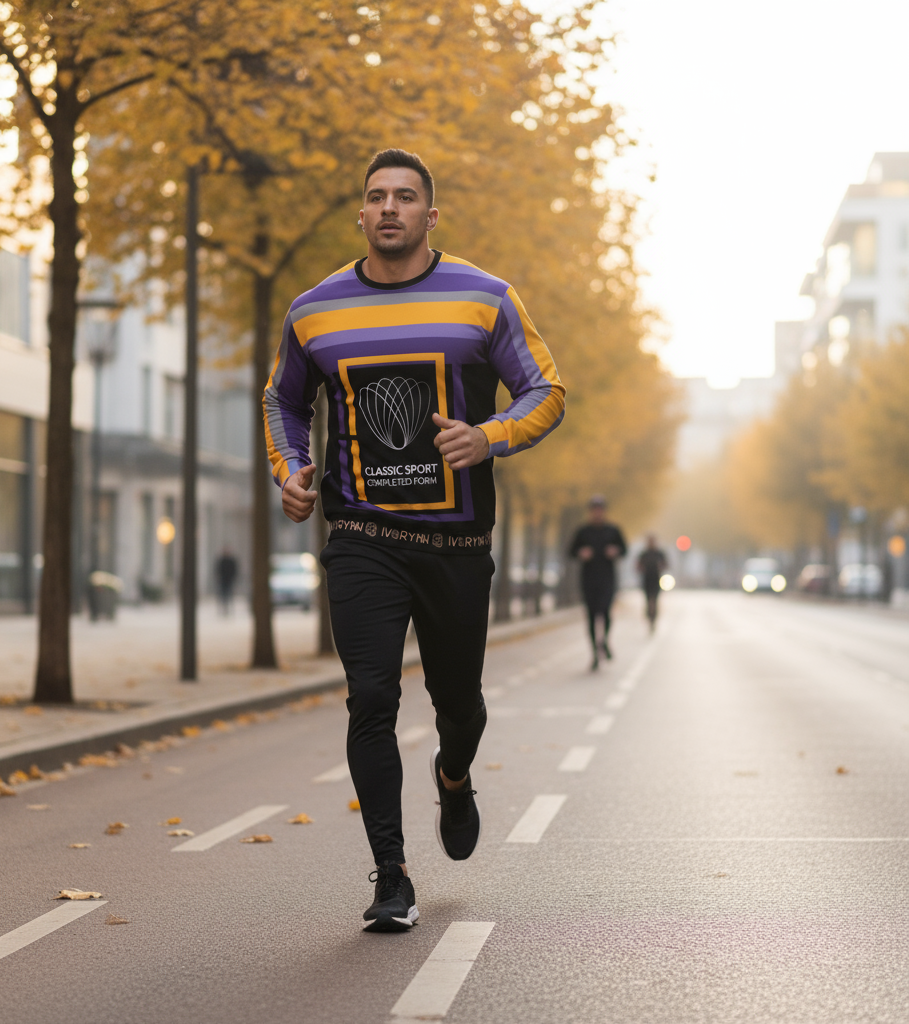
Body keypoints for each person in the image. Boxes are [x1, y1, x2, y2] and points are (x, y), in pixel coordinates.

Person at [263, 149, 565, 932]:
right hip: (361, 536)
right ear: (360, 216)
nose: (389, 208)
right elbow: (283, 402)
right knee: (371, 697)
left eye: (405, 198)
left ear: (431, 216)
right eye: (376, 197)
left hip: (457, 546)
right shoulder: (313, 310)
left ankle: (454, 773)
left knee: (458, 703)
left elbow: (546, 390)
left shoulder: (485, 298)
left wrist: (489, 436)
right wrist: (292, 471)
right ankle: (391, 875)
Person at [569, 496, 627, 670]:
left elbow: (625, 549)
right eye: (594, 509)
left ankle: (604, 641)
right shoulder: (583, 531)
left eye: (600, 509)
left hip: (607, 580)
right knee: (592, 617)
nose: (597, 512)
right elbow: (571, 551)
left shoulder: (613, 530)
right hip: (588, 580)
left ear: (604, 511)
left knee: (606, 613)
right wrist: (581, 553)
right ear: (590, 511)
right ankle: (594, 653)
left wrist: (615, 551)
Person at [636, 534, 667, 630]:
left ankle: (653, 618)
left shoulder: (660, 554)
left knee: (655, 600)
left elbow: (665, 565)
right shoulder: (644, 554)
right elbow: (638, 566)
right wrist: (642, 568)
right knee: (648, 600)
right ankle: (649, 616)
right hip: (646, 580)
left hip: (656, 579)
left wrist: (660, 567)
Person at [214, 550, 238, 614]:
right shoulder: (222, 561)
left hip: (229, 580)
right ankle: (223, 608)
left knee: (229, 595)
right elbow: (218, 570)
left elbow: (234, 570)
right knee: (223, 595)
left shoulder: (231, 561)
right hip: (223, 580)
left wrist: (233, 578)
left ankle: (229, 608)